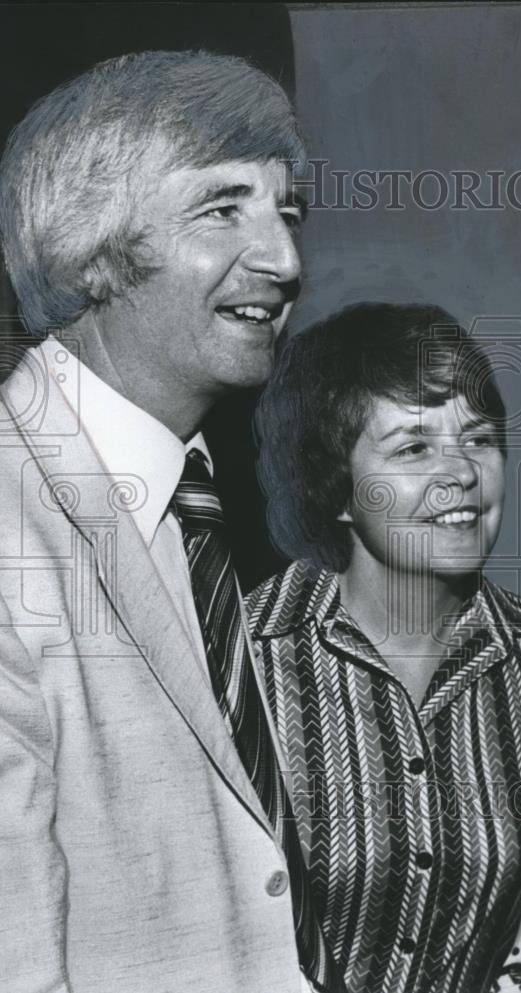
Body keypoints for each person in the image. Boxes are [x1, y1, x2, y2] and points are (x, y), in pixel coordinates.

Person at [0, 51, 343, 993]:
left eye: (288, 212)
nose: (285, 262)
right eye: (222, 208)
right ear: (93, 249)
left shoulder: (195, 500)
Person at [250, 302, 521, 993]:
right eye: (413, 447)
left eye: (478, 438)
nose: (463, 473)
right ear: (338, 488)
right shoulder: (246, 657)